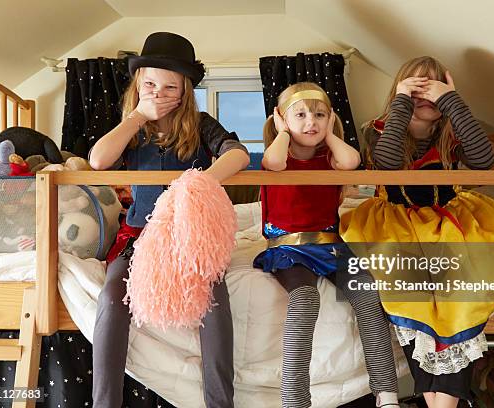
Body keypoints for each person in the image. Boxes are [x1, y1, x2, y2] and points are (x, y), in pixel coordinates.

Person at [89, 32, 249, 408]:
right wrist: (137, 116)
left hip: (188, 235)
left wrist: (196, 183)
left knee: (214, 301)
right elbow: (98, 160)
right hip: (139, 235)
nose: (158, 93)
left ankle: (220, 402)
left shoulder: (202, 124)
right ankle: (104, 402)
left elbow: (238, 154)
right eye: (149, 84)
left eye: (169, 87)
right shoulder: (133, 128)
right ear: (138, 85)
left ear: (184, 91)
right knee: (113, 298)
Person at [341, 56, 494, 407]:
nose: (426, 95)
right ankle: (437, 400)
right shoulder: (379, 128)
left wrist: (451, 100)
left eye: (433, 89)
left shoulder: (451, 131)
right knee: (406, 283)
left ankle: (441, 401)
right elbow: (387, 166)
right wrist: (403, 102)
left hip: (449, 218)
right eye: (417, 88)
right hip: (396, 218)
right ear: (400, 93)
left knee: (458, 282)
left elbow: (483, 162)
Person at [253, 82, 399, 408]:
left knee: (368, 296)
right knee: (305, 301)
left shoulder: (332, 158)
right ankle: (295, 401)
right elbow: (274, 163)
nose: (311, 122)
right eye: (301, 115)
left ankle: (387, 393)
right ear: (281, 119)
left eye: (319, 115)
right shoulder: (278, 156)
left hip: (331, 244)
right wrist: (282, 132)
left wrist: (331, 133)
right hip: (288, 247)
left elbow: (351, 160)